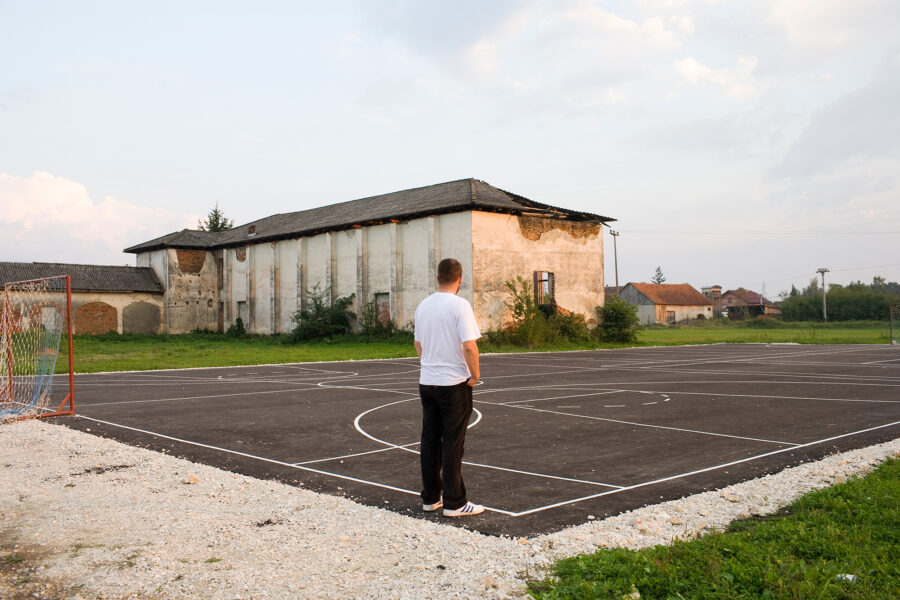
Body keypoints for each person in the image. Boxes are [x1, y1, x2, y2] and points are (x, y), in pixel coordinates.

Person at [413, 258, 484, 517]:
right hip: (454, 384)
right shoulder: (459, 306)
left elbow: (418, 344)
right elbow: (469, 346)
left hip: (427, 382)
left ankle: (431, 498)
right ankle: (455, 502)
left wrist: (430, 363)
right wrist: (474, 375)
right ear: (460, 279)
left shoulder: (423, 306)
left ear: (437, 278)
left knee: (430, 441)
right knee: (453, 443)